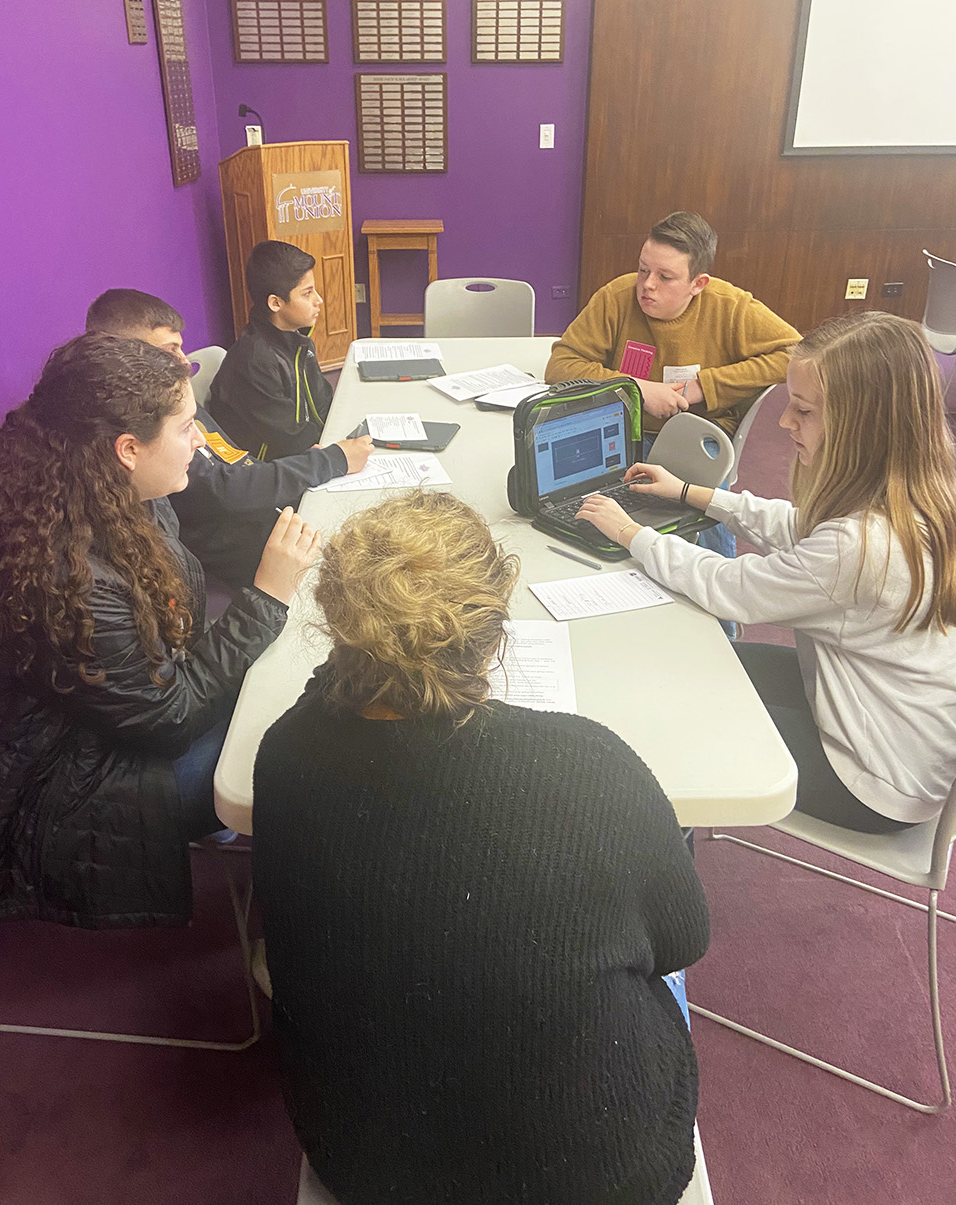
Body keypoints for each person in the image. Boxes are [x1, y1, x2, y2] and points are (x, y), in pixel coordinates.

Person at [252, 491, 710, 1205]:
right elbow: (684, 938)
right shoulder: (593, 766)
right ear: (493, 639)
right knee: (656, 967)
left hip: (365, 1166)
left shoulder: (283, 754)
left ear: (342, 629)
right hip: (601, 1180)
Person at [0, 335, 319, 929]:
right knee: (284, 733)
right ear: (128, 448)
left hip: (97, 725)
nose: (199, 441)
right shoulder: (68, 576)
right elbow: (169, 719)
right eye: (186, 427)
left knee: (275, 688)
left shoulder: (118, 495)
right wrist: (266, 598)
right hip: (51, 788)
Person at [577, 311, 956, 834]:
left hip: (873, 778)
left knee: (665, 725)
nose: (784, 423)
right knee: (701, 666)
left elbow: (732, 589)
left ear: (861, 426)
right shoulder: (919, 493)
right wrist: (695, 494)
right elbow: (801, 526)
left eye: (801, 411)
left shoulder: (860, 547)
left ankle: (663, 853)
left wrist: (628, 532)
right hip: (902, 734)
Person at [85, 289, 371, 587]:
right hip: (229, 545)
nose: (183, 363)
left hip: (256, 513)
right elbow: (225, 489)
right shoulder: (149, 435)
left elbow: (234, 461)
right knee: (352, 565)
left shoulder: (177, 405)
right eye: (169, 351)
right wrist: (327, 461)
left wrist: (307, 464)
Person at [546, 210, 801, 438]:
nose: (647, 285)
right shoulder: (615, 297)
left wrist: (705, 386)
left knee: (681, 491)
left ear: (698, 284)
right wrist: (636, 389)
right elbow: (561, 366)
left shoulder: (730, 305)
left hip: (699, 432)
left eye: (665, 277)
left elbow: (798, 355)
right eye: (643, 270)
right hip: (618, 429)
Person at [208, 240, 338, 461]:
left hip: (298, 453)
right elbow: (289, 441)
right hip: (267, 470)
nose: (319, 300)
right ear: (275, 303)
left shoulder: (298, 341)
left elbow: (322, 403)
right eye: (307, 294)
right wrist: (337, 450)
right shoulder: (254, 361)